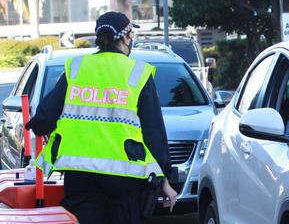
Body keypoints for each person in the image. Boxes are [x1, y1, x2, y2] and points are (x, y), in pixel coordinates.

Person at [26, 11, 177, 224]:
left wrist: (51, 133)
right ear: (125, 37)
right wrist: (163, 181)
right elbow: (153, 132)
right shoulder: (138, 73)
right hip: (126, 177)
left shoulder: (76, 68)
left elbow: (43, 119)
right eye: (131, 34)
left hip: (80, 176)